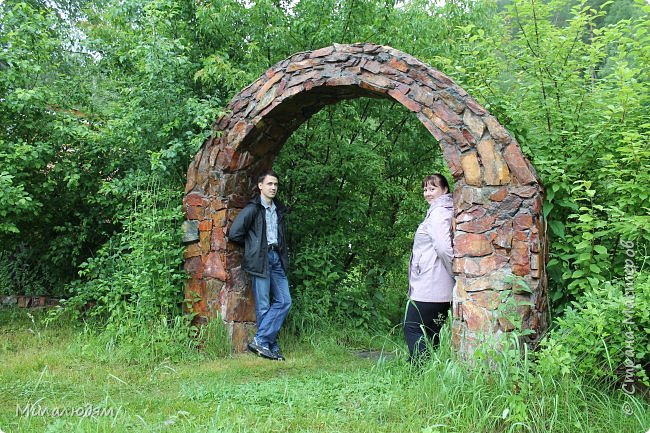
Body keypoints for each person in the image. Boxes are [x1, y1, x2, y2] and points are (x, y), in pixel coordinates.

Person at [227, 170, 291, 361]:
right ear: (260, 186)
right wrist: (253, 247)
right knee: (263, 306)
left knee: (284, 301)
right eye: (270, 184)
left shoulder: (278, 209)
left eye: (276, 184)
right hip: (260, 260)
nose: (273, 188)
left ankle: (262, 340)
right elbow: (235, 233)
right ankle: (269, 345)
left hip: (276, 259)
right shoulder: (253, 209)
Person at [404, 173, 454, 362]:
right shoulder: (443, 210)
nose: (427, 193)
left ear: (445, 190)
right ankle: (430, 371)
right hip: (438, 286)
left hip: (431, 285)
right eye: (425, 189)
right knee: (431, 332)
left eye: (432, 188)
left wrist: (453, 271)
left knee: (412, 327)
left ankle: (420, 369)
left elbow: (442, 247)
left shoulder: (439, 212)